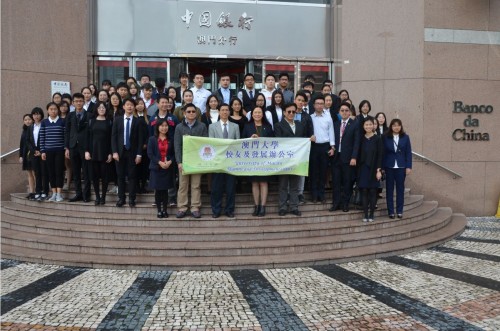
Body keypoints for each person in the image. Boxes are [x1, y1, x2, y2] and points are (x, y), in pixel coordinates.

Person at [274, 103, 310, 216]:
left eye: (293, 112)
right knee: (283, 185)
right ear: (284, 112)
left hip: (297, 160)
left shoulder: (300, 125)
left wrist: (309, 139)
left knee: (295, 185)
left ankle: (294, 207)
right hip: (284, 160)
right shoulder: (278, 125)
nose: (291, 114)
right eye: (288, 111)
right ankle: (283, 207)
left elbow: (303, 139)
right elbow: (279, 141)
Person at [174, 103, 208, 218]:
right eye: (188, 112)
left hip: (197, 161)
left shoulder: (202, 126)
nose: (191, 113)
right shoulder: (179, 127)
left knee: (196, 185)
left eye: (193, 111)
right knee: (183, 185)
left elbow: (205, 144)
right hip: (184, 161)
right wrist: (179, 162)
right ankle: (182, 207)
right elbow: (177, 146)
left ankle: (195, 207)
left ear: (196, 113)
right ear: (184, 113)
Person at [111, 98, 144, 207]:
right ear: (124, 107)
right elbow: (113, 137)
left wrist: (139, 154)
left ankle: (132, 199)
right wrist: (114, 152)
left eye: (131, 105)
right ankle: (121, 198)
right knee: (120, 176)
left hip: (133, 153)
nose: (129, 107)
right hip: (120, 152)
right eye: (127, 105)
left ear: (134, 107)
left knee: (132, 176)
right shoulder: (118, 120)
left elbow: (140, 139)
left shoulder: (138, 121)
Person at [208, 103, 240, 218]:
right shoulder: (212, 127)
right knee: (217, 187)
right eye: (223, 110)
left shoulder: (235, 126)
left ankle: (229, 210)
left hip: (231, 162)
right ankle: (216, 210)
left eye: (227, 110)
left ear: (229, 112)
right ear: (219, 112)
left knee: (230, 188)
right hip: (218, 161)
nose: (225, 112)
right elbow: (211, 144)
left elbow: (238, 143)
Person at [242, 106, 274, 217]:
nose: (257, 114)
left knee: (263, 182)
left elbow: (273, 143)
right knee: (254, 182)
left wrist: (260, 139)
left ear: (263, 114)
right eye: (255, 112)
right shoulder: (247, 126)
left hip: (265, 159)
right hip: (252, 159)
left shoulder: (268, 127)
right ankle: (256, 206)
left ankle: (263, 207)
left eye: (259, 112)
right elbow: (242, 141)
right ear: (252, 114)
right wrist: (251, 139)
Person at [330, 101, 360, 212]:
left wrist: (354, 157)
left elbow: (357, 142)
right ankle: (336, 203)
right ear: (339, 112)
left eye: (346, 110)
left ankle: (346, 204)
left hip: (348, 159)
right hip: (336, 157)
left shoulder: (355, 124)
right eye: (342, 110)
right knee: (336, 182)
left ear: (350, 112)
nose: (344, 112)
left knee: (347, 182)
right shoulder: (335, 124)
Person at [65, 93, 92, 202]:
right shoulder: (70, 115)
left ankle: (87, 195)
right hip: (72, 147)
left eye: (80, 101)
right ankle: (78, 194)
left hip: (85, 147)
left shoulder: (89, 115)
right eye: (76, 101)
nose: (78, 103)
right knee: (76, 172)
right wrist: (66, 147)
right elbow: (67, 132)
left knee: (86, 172)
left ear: (84, 102)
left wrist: (88, 149)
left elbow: (91, 133)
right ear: (73, 103)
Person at [383, 118, 412, 219]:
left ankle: (399, 211)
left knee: (400, 190)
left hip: (401, 167)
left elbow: (408, 153)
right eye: (394, 125)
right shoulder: (386, 137)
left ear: (401, 126)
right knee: (389, 190)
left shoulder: (406, 137)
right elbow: (383, 153)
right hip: (389, 166)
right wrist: (382, 167)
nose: (396, 127)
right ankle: (391, 211)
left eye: (398, 125)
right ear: (391, 127)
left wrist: (408, 166)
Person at [85, 101, 113, 205]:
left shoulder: (109, 121)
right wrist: (87, 151)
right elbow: (87, 137)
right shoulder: (91, 121)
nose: (102, 109)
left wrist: (110, 152)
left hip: (105, 152)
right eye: (100, 108)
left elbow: (111, 138)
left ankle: (103, 197)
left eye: (103, 108)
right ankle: (97, 196)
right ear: (96, 109)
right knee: (95, 176)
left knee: (105, 177)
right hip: (93, 152)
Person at [309, 95, 335, 203]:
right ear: (314, 105)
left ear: (324, 105)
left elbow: (331, 132)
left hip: (325, 146)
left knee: (323, 172)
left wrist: (332, 147)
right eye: (317, 103)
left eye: (321, 103)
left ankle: (322, 194)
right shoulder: (310, 117)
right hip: (313, 147)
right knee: (314, 172)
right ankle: (314, 195)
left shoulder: (328, 118)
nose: (319, 105)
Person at [148, 119, 175, 218]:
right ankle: (159, 210)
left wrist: (170, 162)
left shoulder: (171, 139)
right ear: (158, 127)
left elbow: (174, 154)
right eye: (162, 126)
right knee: (158, 190)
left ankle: (165, 210)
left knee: (165, 190)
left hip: (167, 167)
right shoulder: (152, 139)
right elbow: (150, 154)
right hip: (156, 168)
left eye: (166, 126)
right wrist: (159, 162)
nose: (164, 128)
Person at [357, 119, 383, 222]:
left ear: (373, 126)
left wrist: (379, 170)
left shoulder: (377, 139)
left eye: (370, 124)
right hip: (363, 168)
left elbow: (380, 155)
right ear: (363, 126)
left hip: (374, 168)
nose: (368, 126)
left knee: (372, 191)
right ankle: (365, 214)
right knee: (364, 190)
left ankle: (372, 214)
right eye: (366, 124)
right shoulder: (361, 139)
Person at [40, 102, 66, 202]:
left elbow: (65, 136)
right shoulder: (44, 122)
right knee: (51, 172)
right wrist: (42, 151)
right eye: (51, 109)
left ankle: (59, 194)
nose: (53, 111)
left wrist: (64, 149)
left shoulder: (62, 121)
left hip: (59, 151)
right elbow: (42, 137)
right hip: (48, 151)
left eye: (55, 109)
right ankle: (54, 193)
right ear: (48, 110)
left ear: (58, 110)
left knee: (59, 172)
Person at [293, 91, 314, 204]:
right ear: (295, 100)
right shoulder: (288, 113)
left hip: (303, 149)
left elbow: (310, 132)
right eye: (299, 100)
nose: (300, 102)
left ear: (305, 103)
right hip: (290, 148)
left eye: (302, 101)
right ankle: (289, 193)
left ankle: (300, 193)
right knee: (290, 171)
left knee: (301, 171)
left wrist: (311, 137)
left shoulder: (307, 117)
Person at [29, 107, 49, 201]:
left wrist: (41, 151)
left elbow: (47, 138)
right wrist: (34, 151)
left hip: (43, 151)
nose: (36, 116)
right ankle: (38, 191)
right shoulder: (30, 127)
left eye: (38, 114)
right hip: (34, 152)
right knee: (37, 173)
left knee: (44, 172)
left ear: (41, 115)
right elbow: (28, 141)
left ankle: (45, 191)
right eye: (34, 114)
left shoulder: (44, 124)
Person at [134, 98, 150, 194]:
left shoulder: (148, 117)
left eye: (142, 104)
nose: (140, 106)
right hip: (135, 148)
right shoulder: (133, 118)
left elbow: (150, 133)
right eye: (138, 104)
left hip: (145, 147)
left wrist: (146, 143)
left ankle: (143, 186)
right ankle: (136, 187)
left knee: (145, 168)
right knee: (136, 168)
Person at [19, 113, 35, 199]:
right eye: (25, 120)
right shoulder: (24, 130)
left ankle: (38, 190)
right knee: (29, 174)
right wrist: (21, 156)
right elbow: (21, 144)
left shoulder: (34, 129)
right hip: (26, 154)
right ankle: (32, 191)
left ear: (32, 120)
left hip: (33, 154)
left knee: (35, 173)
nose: (27, 121)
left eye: (29, 119)